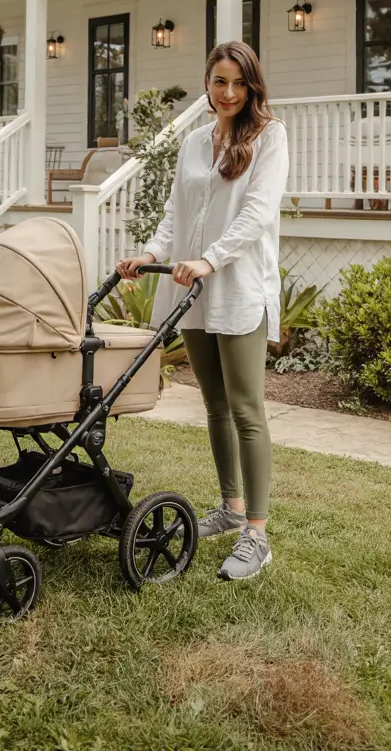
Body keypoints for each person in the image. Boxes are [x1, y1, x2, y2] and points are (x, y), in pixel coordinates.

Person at [117, 41, 289, 581]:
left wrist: (211, 259)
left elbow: (258, 213)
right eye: (220, 82)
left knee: (246, 409)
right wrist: (150, 253)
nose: (230, 93)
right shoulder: (194, 141)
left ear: (252, 84)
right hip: (190, 286)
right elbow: (176, 212)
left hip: (237, 286)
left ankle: (256, 535)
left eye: (239, 83)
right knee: (214, 406)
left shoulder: (270, 137)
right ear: (207, 82)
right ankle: (230, 508)